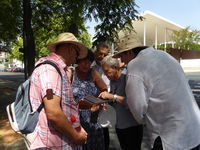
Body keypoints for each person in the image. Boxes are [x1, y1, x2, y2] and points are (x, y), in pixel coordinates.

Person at [113, 34, 200, 150]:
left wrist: (146, 120)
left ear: (129, 52)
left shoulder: (135, 65)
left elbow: (138, 109)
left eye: (121, 56)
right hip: (194, 130)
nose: (121, 60)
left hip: (170, 138)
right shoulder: (164, 55)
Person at [29, 32, 88, 150]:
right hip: (52, 145)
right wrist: (76, 136)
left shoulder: (58, 69)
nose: (76, 57)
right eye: (76, 53)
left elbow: (64, 107)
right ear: (70, 49)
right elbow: (54, 113)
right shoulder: (50, 70)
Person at [99, 55, 143, 150]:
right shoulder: (113, 80)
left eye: (107, 71)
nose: (105, 75)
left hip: (132, 126)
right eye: (104, 72)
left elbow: (133, 102)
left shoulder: (127, 78)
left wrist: (112, 96)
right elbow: (115, 99)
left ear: (115, 68)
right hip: (120, 125)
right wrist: (106, 101)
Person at [72, 50, 107, 150]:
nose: (86, 64)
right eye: (83, 61)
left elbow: (104, 90)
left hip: (93, 119)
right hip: (76, 119)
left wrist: (99, 102)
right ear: (78, 61)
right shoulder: (71, 73)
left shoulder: (93, 73)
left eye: (89, 62)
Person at [91, 44, 110, 150]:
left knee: (104, 132)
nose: (102, 56)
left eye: (105, 54)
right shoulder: (89, 67)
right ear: (95, 53)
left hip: (105, 104)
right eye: (100, 53)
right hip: (91, 104)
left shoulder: (109, 67)